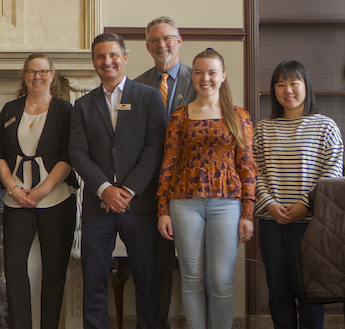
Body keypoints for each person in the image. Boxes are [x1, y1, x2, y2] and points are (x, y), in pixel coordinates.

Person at [68, 33, 166, 329]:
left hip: (141, 205)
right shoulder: (83, 105)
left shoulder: (149, 97)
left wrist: (127, 190)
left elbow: (155, 147)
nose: (107, 61)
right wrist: (105, 189)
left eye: (113, 55)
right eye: (100, 56)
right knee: (94, 280)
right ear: (94, 62)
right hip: (98, 207)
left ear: (125, 57)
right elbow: (78, 153)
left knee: (148, 280)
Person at [156, 48, 257, 329]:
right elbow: (168, 163)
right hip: (183, 204)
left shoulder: (239, 116)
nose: (205, 78)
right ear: (192, 77)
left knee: (221, 280)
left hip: (227, 205)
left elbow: (248, 167)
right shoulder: (179, 116)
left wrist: (248, 213)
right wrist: (162, 209)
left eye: (212, 72)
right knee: (191, 278)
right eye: (199, 72)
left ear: (223, 76)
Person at [255, 60, 344, 329]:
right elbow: (252, 172)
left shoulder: (325, 127)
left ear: (306, 86)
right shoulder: (263, 128)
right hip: (272, 223)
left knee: (310, 294)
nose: (287, 90)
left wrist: (306, 204)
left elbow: (334, 171)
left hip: (312, 225)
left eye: (294, 82)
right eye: (280, 84)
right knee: (278, 292)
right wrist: (269, 204)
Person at [0, 52, 77, 329]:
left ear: (52, 75)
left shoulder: (65, 110)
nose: (37, 77)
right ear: (24, 75)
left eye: (43, 71)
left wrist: (41, 192)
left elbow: (69, 156)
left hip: (55, 199)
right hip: (16, 200)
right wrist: (14, 189)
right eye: (32, 71)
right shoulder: (10, 110)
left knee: (54, 272)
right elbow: (0, 155)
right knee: (14, 269)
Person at [133, 18, 196, 326]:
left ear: (179, 41)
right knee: (153, 269)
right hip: (148, 193)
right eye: (155, 41)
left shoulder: (198, 79)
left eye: (167, 38)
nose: (162, 45)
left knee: (196, 269)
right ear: (147, 46)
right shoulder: (136, 84)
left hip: (190, 189)